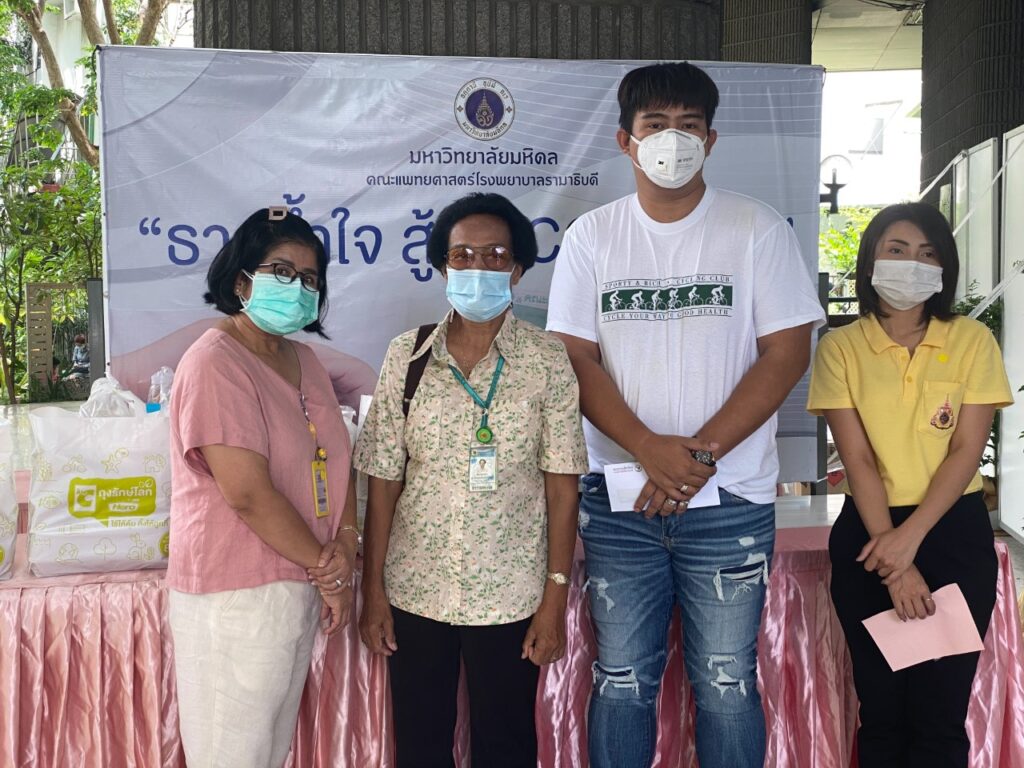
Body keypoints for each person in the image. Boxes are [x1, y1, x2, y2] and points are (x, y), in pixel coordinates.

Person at [546, 61, 825, 768]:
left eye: (689, 125)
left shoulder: (756, 229)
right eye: (655, 125)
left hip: (730, 499)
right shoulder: (593, 237)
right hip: (620, 499)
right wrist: (647, 447)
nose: (673, 140)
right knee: (621, 682)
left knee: (727, 686)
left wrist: (699, 455)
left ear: (711, 138)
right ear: (625, 141)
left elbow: (787, 354)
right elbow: (574, 358)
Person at [355, 192, 588, 768]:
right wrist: (374, 591)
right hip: (415, 589)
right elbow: (383, 482)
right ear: (442, 267)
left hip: (510, 595)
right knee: (420, 745)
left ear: (518, 269)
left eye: (495, 255)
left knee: (505, 746)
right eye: (462, 255)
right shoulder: (407, 355)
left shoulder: (547, 360)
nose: (478, 266)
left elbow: (562, 490)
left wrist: (554, 600)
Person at [807, 203, 1012, 767]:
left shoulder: (971, 340)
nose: (912, 263)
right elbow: (858, 460)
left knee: (941, 716)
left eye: (927, 253)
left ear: (944, 268)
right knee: (882, 714)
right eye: (897, 250)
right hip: (870, 537)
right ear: (870, 259)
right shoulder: (840, 348)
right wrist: (896, 563)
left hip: (952, 534)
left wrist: (909, 542)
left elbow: (966, 451)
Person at [166, 208, 359, 768]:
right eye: (281, 271)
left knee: (269, 751)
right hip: (235, 593)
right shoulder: (215, 360)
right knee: (232, 753)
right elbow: (247, 493)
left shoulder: (305, 360)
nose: (296, 286)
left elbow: (338, 461)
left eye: (309, 277)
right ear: (240, 280)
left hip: (299, 582)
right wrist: (329, 570)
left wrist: (346, 546)